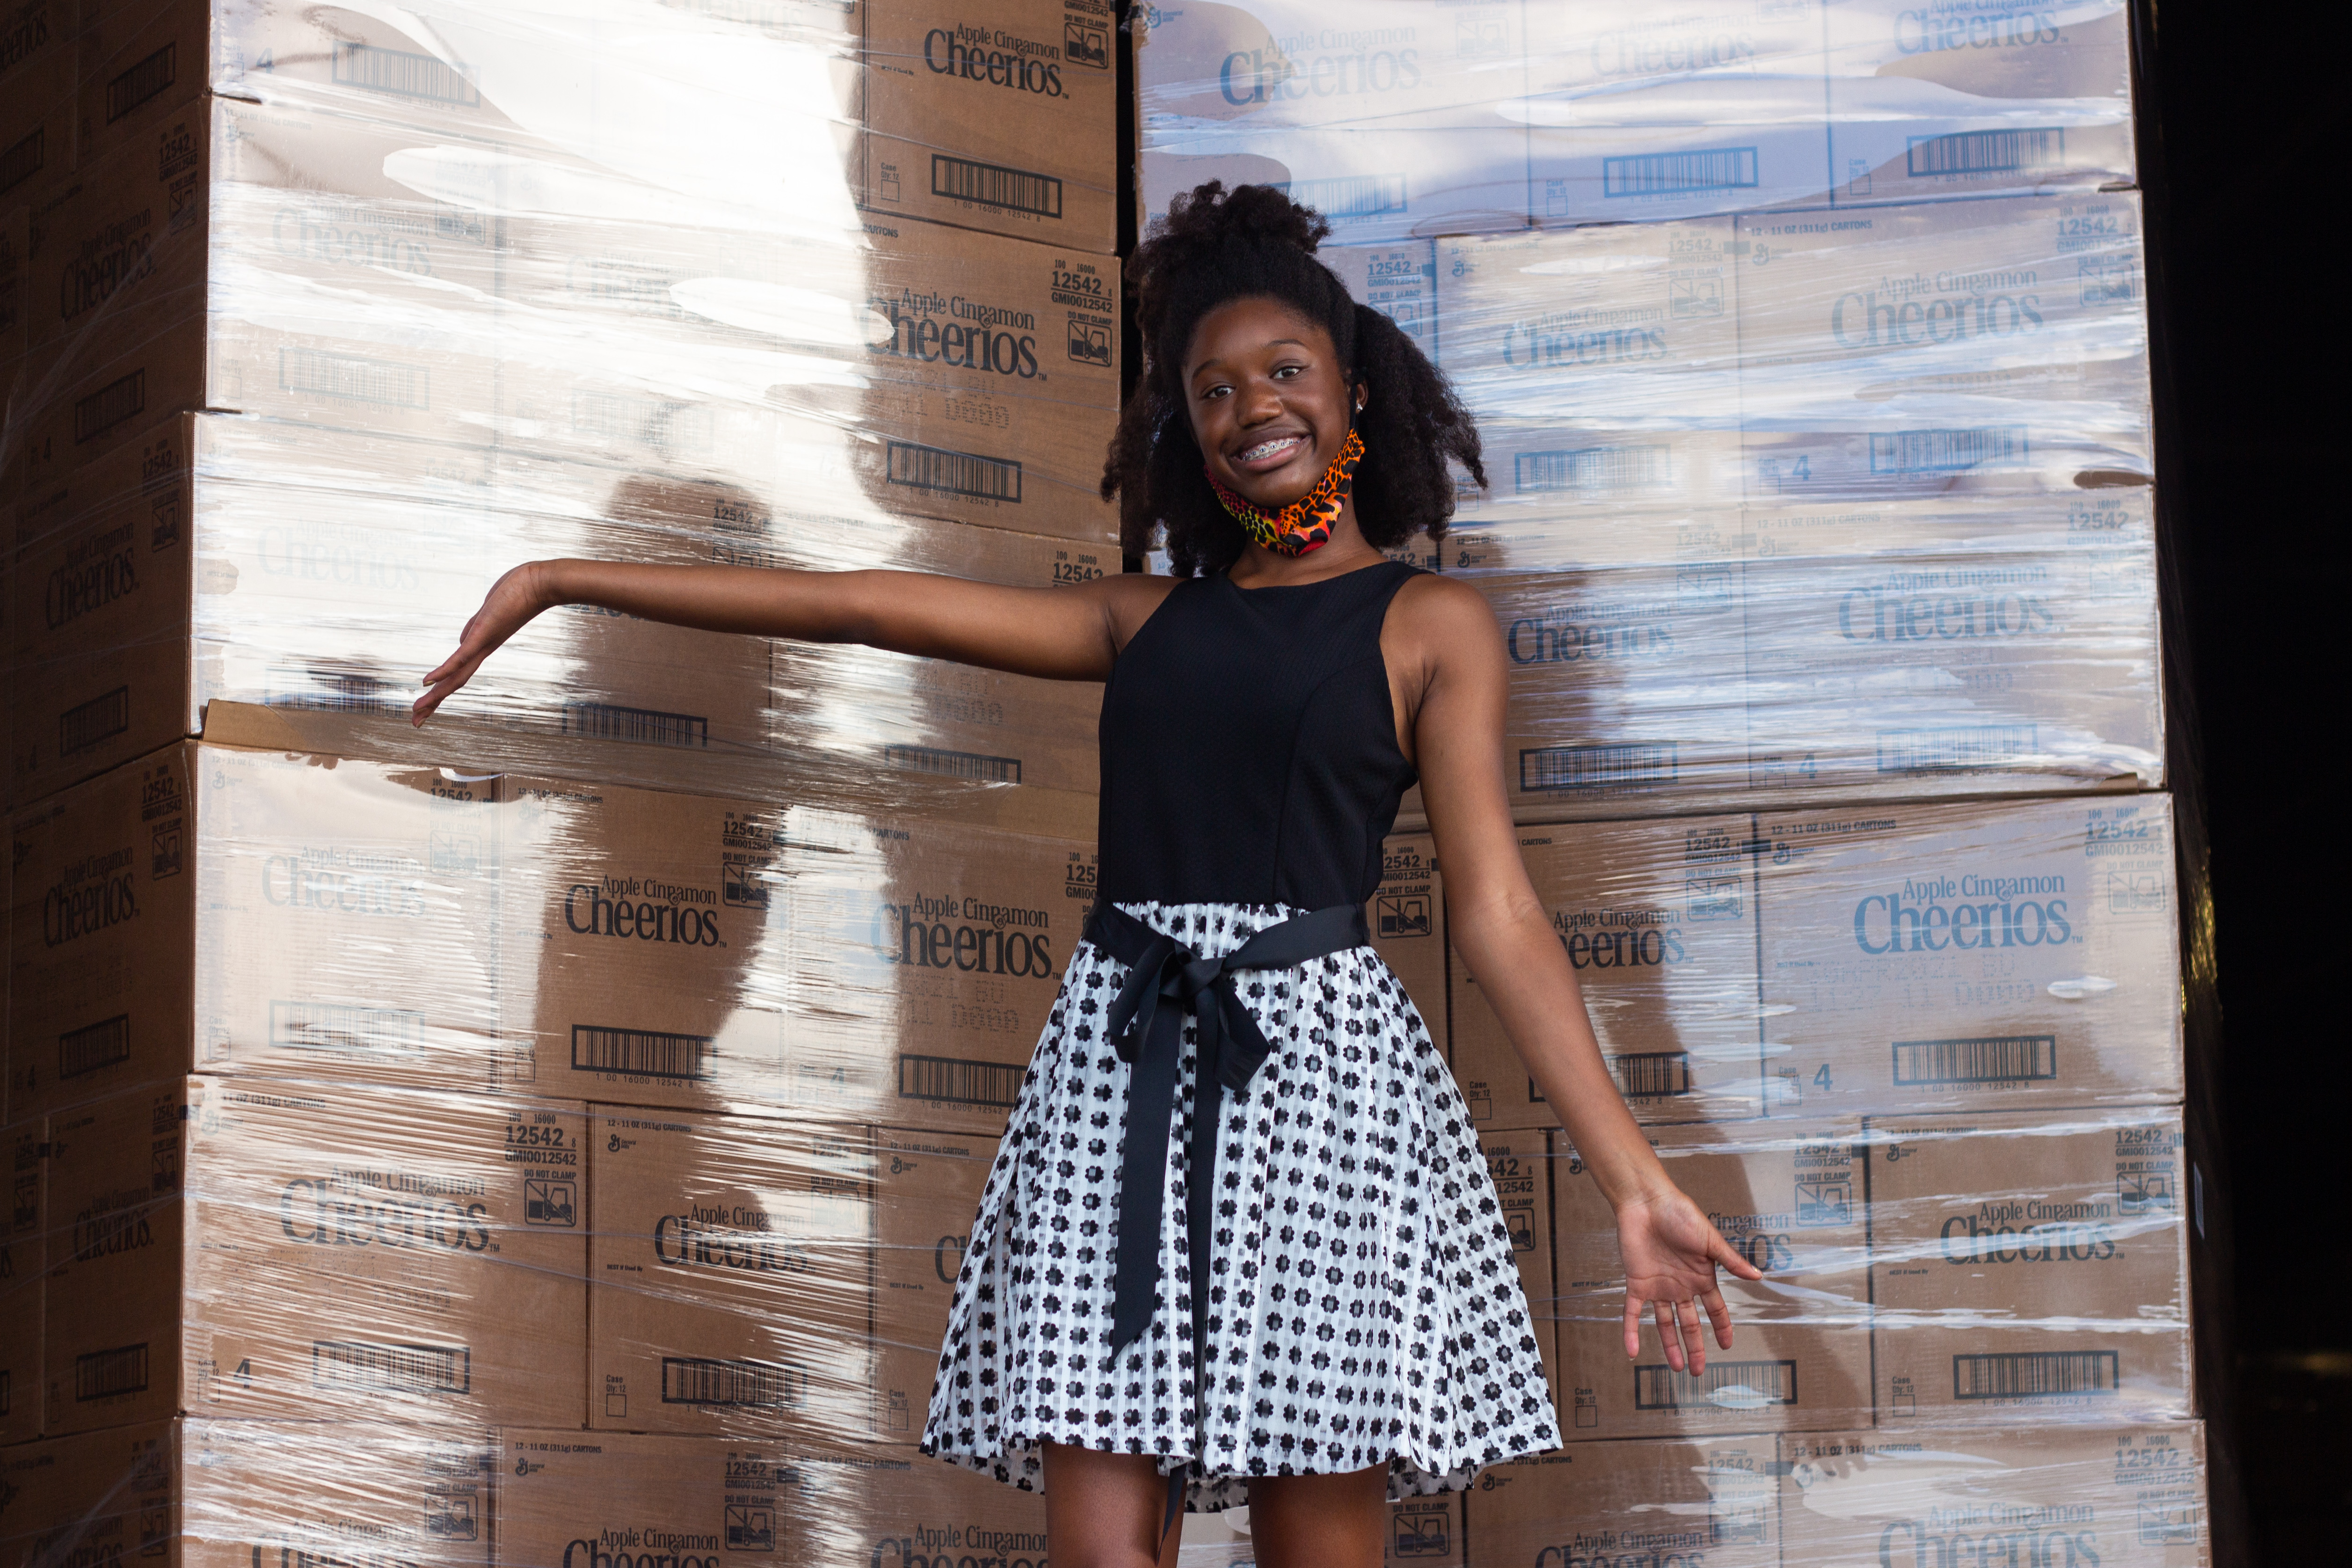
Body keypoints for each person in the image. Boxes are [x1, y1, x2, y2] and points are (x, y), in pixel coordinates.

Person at [415, 182, 1762, 1568]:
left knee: (1318, 1542)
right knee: (1101, 1546)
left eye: (1284, 374)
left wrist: (1632, 1179)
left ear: (1353, 392)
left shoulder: (1429, 624)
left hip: (1319, 1093)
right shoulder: (1138, 621)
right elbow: (862, 608)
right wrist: (565, 578)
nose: (1252, 410)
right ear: (1189, 429)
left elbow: (1496, 912)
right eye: (1214, 390)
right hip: (1114, 1080)